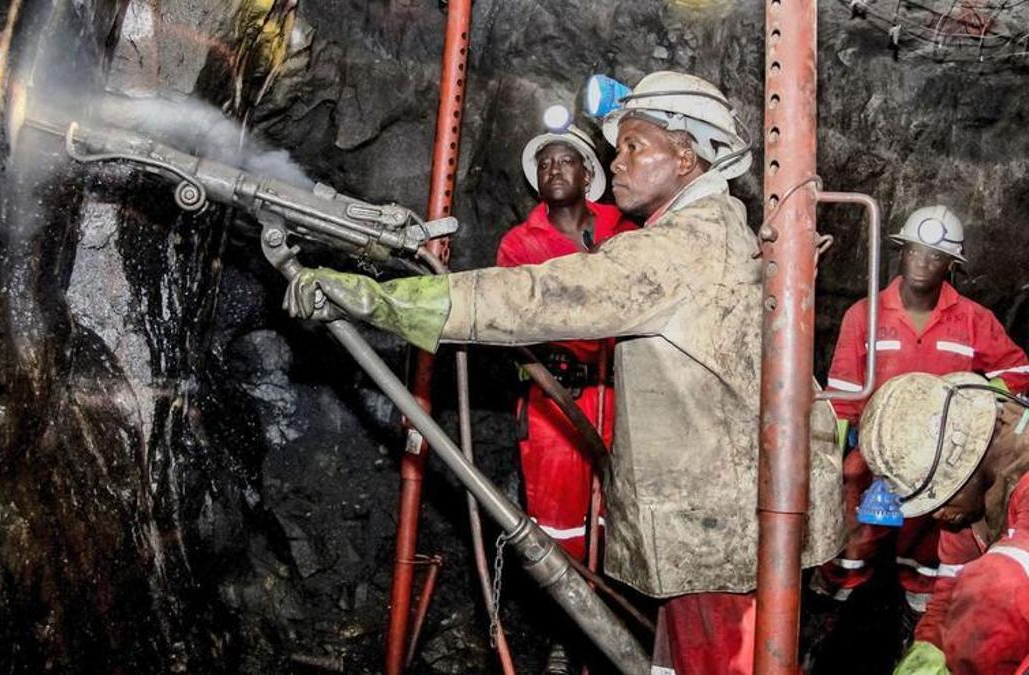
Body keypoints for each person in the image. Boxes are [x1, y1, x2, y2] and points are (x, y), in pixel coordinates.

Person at [283, 70, 842, 674]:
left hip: (717, 533)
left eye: (634, 146)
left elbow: (537, 296)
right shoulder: (718, 233)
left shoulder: (682, 248)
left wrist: (382, 300)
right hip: (721, 524)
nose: (617, 161)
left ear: (685, 156)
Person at [816, 206, 1029, 612]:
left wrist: (976, 400)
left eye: (934, 256)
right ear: (900, 252)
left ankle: (920, 602)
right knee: (855, 527)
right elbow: (842, 396)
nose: (922, 262)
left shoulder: (972, 320)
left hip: (942, 459)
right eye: (914, 251)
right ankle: (838, 598)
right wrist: (834, 461)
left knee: (929, 537)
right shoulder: (865, 315)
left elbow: (1018, 371)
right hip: (875, 454)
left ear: (951, 265)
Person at [499, 117, 636, 560]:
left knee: (621, 516)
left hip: (622, 399)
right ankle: (566, 616)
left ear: (588, 174)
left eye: (566, 161)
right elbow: (523, 321)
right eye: (545, 164)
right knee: (559, 526)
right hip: (553, 401)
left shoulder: (624, 232)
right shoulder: (519, 244)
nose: (554, 169)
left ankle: (616, 608)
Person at [851, 371, 1029, 674]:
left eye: (940, 498)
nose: (937, 514)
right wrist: (929, 646)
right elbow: (951, 586)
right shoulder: (967, 498)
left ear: (967, 462)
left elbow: (1004, 584)